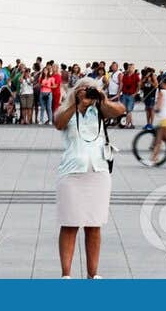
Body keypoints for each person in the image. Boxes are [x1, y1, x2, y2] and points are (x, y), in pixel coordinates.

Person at [52, 77, 124, 277]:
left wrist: (103, 99)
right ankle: (66, 275)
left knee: (94, 225)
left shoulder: (100, 110)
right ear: (76, 91)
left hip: (98, 172)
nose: (88, 93)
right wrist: (76, 103)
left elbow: (120, 110)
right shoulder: (68, 110)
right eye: (84, 89)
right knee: (70, 224)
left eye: (92, 89)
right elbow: (58, 123)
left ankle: (93, 275)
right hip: (71, 173)